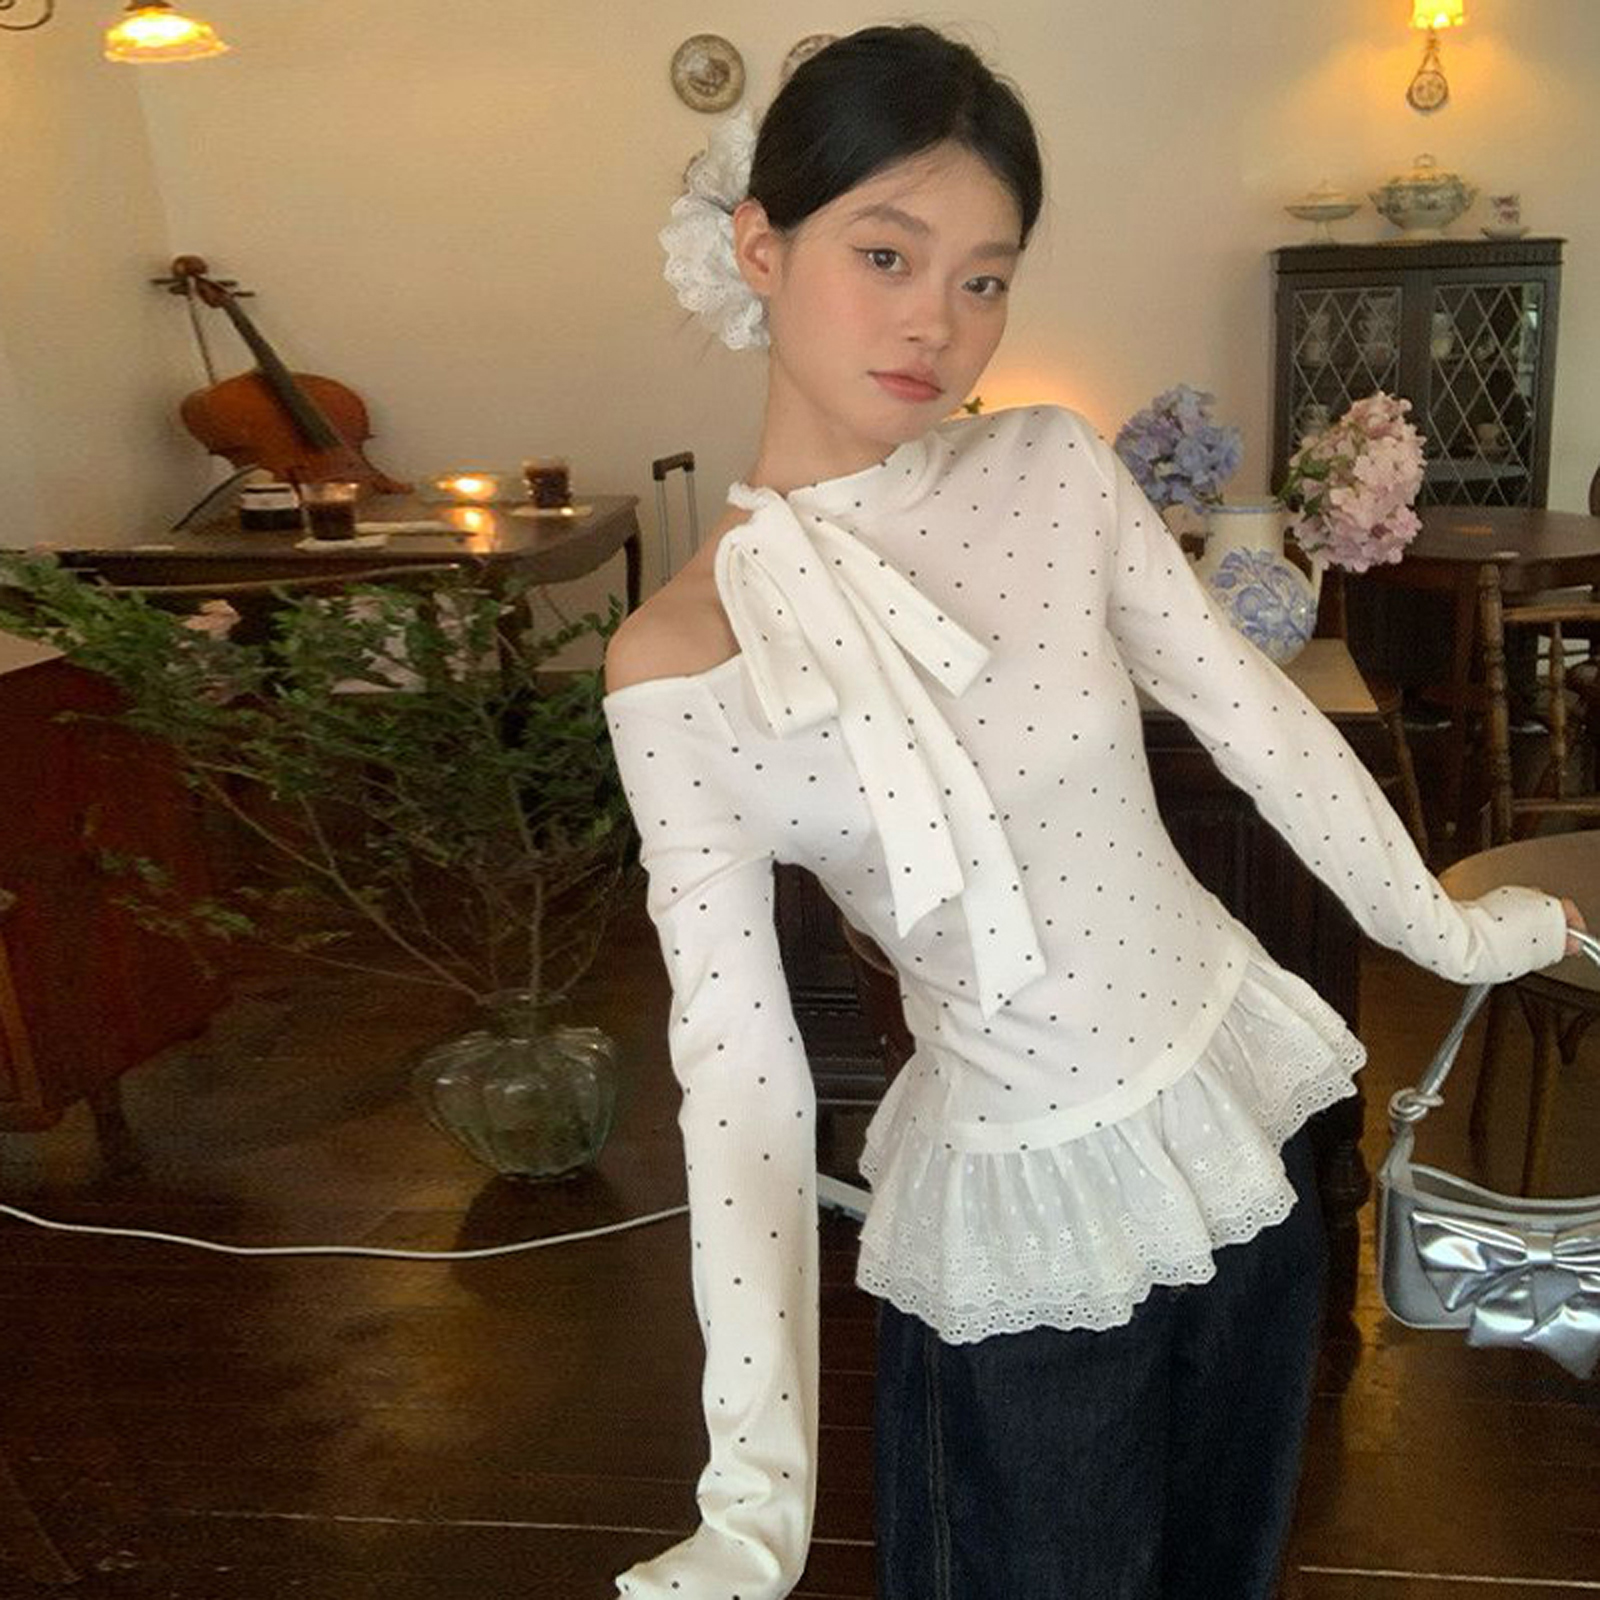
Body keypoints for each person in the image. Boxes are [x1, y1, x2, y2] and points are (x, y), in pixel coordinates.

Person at [601, 23, 1588, 1600]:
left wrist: (1446, 934)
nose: (935, 321)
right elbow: (738, 1077)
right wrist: (753, 1497)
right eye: (885, 253)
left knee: (1229, 1565)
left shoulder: (1051, 470)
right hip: (1022, 1234)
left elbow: (1255, 717)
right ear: (760, 246)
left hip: (1243, 1124)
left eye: (984, 277)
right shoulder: (678, 665)